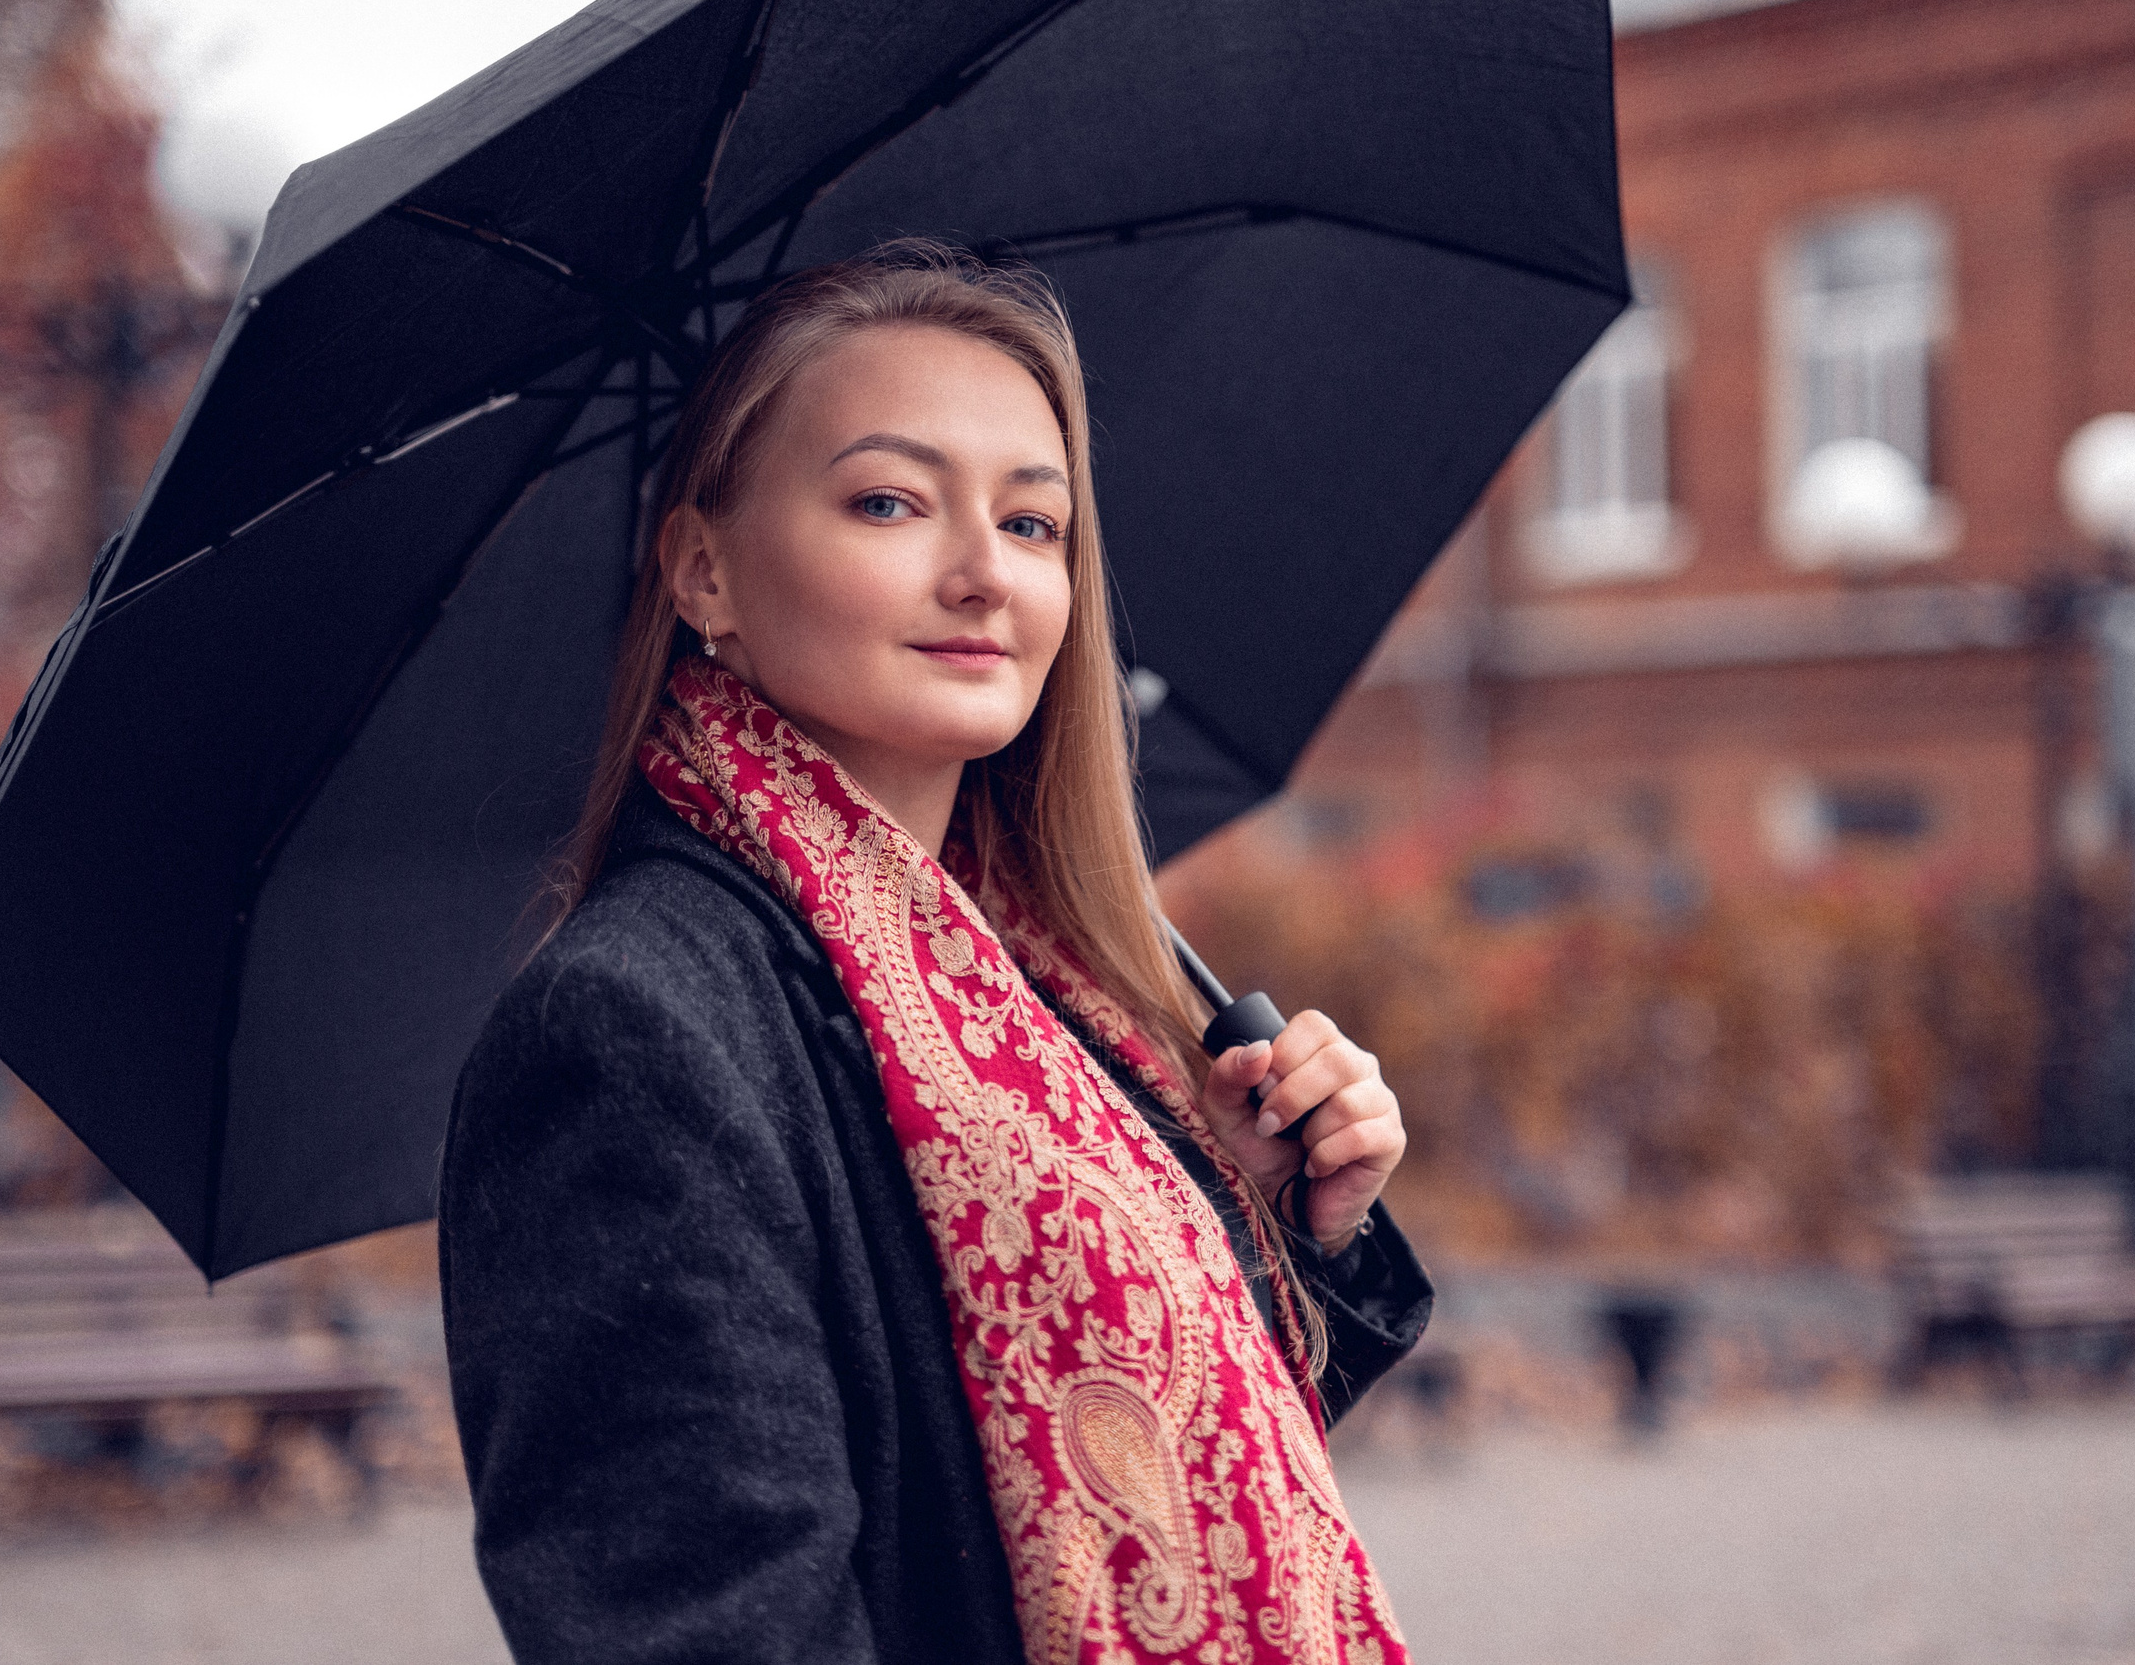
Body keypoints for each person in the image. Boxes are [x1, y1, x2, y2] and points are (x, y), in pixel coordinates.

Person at [439, 240, 1432, 1665]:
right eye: (890, 502)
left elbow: (1102, 1503)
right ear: (703, 569)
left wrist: (1265, 1217)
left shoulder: (1041, 992)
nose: (983, 574)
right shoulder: (628, 1035)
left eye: (1034, 525)